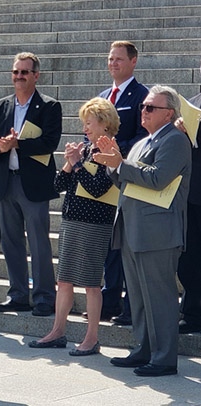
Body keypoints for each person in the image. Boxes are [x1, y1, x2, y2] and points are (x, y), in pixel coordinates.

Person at [94, 85, 191, 377]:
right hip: (133, 228)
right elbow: (124, 180)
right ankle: (143, 349)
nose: (143, 111)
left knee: (159, 297)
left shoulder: (175, 140)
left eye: (151, 108)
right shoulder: (142, 142)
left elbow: (159, 178)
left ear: (169, 113)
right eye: (143, 107)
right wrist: (113, 164)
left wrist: (120, 165)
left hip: (158, 232)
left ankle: (164, 358)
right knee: (137, 295)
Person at [28, 98, 119, 355]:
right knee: (65, 280)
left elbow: (99, 189)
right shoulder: (87, 149)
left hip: (94, 223)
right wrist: (70, 161)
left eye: (89, 123)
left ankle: (92, 338)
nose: (85, 128)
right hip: (72, 219)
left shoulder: (111, 150)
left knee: (91, 283)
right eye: (84, 123)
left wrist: (77, 164)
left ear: (104, 123)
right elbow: (58, 185)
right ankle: (58, 331)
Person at [0, 52, 61, 317]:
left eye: (25, 72)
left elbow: (50, 143)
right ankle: (18, 294)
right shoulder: (0, 106)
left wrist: (18, 144)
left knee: (39, 241)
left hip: (33, 184)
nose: (19, 76)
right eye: (16, 72)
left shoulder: (50, 106)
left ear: (36, 76)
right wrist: (1, 145)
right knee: (10, 241)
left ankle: (44, 296)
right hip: (5, 181)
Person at [96, 41, 149, 326]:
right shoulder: (105, 96)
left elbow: (144, 137)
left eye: (118, 59)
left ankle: (130, 307)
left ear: (133, 62)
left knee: (125, 245)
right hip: (103, 178)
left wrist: (115, 151)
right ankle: (108, 300)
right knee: (108, 245)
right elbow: (91, 129)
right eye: (110, 59)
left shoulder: (143, 96)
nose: (113, 63)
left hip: (126, 177)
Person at [173, 75, 201, 334]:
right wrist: (181, 129)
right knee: (189, 257)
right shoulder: (192, 104)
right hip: (192, 192)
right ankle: (191, 312)